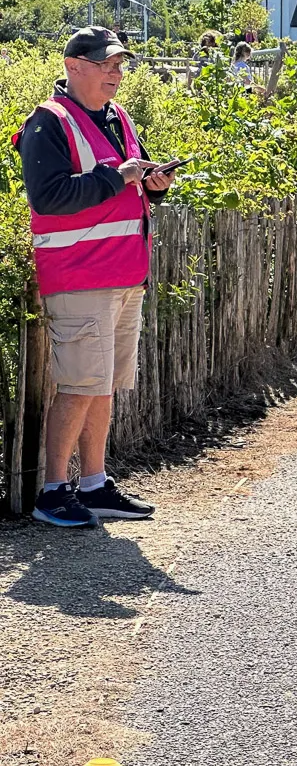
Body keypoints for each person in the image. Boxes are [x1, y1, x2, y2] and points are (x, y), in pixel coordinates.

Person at [16, 27, 176, 528]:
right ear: (74, 65)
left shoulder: (117, 117)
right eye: (107, 63)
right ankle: (52, 492)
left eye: (120, 64)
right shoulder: (49, 121)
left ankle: (94, 484)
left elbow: (130, 185)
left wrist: (154, 185)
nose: (116, 72)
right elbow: (49, 198)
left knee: (102, 384)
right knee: (80, 384)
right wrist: (121, 176)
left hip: (123, 274)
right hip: (80, 276)